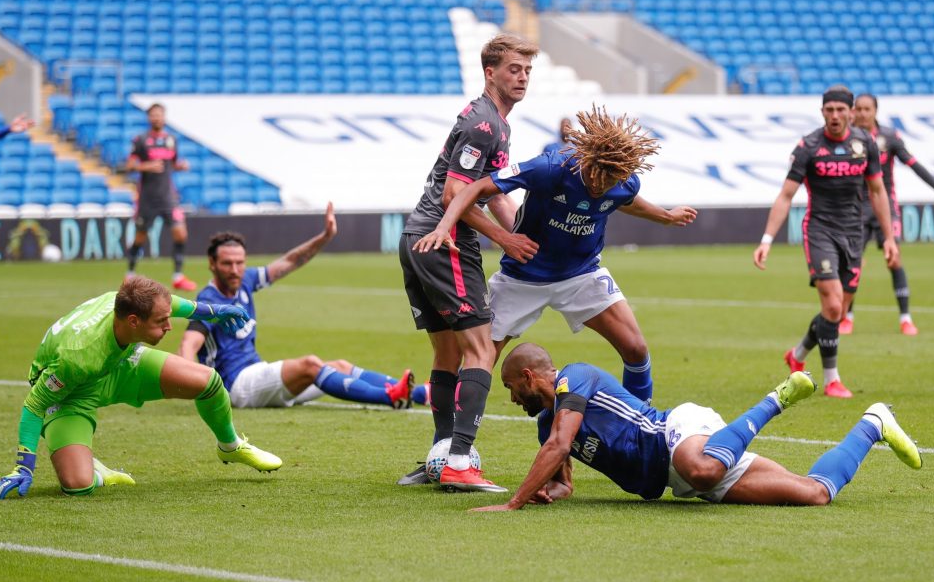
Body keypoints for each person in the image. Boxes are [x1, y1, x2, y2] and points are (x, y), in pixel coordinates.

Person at [414, 104, 696, 408]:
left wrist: (666, 216)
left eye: (611, 183)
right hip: (523, 276)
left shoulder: (622, 179)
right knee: (479, 359)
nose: (601, 188)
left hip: (582, 275)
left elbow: (629, 201)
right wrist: (452, 227)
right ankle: (450, 435)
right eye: (597, 179)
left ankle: (641, 424)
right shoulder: (550, 167)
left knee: (636, 348)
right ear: (587, 161)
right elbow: (479, 187)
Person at [471, 343, 921, 511]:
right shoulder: (548, 424)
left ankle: (775, 399)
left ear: (531, 377)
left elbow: (560, 444)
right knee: (814, 494)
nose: (511, 399)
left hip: (680, 433)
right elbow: (564, 479)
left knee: (699, 467)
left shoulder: (576, 376)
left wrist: (515, 502)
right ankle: (873, 423)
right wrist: (554, 490)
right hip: (678, 478)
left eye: (511, 388)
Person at [397, 33, 541, 492]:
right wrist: (504, 239)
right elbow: (454, 194)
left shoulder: (495, 124)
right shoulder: (485, 124)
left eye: (527, 71)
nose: (521, 78)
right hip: (446, 241)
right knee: (480, 349)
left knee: (448, 353)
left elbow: (492, 194)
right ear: (490, 73)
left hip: (416, 237)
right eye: (513, 70)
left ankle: (441, 456)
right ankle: (460, 458)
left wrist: (521, 234)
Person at [0, 276, 281, 500]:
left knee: (207, 381)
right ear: (133, 321)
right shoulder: (78, 357)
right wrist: (24, 465)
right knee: (78, 486)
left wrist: (216, 312)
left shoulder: (129, 304)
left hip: (120, 364)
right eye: (160, 322)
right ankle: (97, 470)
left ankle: (230, 447)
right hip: (74, 392)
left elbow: (174, 305)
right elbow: (34, 404)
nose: (169, 326)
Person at [178, 204, 413, 410]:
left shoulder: (246, 280)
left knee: (339, 366)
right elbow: (189, 343)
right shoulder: (209, 300)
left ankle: (419, 392)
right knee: (310, 364)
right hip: (236, 385)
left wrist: (324, 237)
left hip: (257, 373)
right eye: (227, 263)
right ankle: (390, 396)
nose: (235, 269)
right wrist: (195, 386)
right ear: (212, 264)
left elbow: (289, 261)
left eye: (240, 262)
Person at [753, 85, 899, 399]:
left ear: (850, 112)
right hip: (819, 231)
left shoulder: (865, 144)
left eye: (840, 110)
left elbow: (877, 191)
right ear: (822, 112)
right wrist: (766, 239)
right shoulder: (808, 147)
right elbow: (786, 195)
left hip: (854, 234)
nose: (835, 116)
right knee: (832, 305)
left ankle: (797, 354)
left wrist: (889, 237)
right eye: (829, 110)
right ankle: (832, 379)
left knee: (837, 312)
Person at [841, 93, 934, 336]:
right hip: (855, 211)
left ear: (875, 111)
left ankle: (905, 318)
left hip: (885, 208)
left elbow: (913, 164)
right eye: (857, 109)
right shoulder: (846, 138)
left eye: (866, 109)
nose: (861, 113)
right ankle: (846, 317)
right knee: (852, 265)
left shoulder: (889, 137)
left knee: (895, 260)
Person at [124, 103, 196, 291]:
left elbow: (172, 164)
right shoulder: (140, 140)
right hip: (147, 197)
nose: (157, 118)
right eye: (153, 115)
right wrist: (146, 166)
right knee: (140, 237)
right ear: (149, 118)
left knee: (180, 233)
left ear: (164, 117)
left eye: (160, 115)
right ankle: (130, 274)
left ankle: (178, 276)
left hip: (167, 197)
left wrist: (181, 166)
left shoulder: (171, 139)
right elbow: (129, 165)